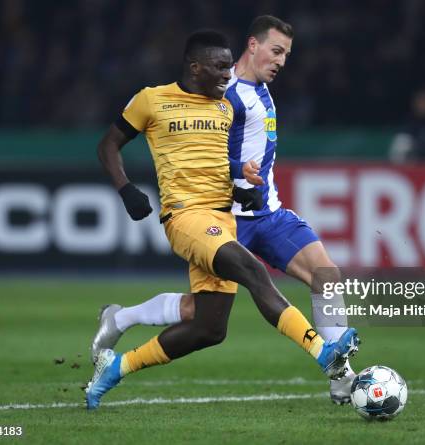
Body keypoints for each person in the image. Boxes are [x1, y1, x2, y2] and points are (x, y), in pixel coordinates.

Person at [91, 17, 359, 406]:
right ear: (253, 45)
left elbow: (216, 158)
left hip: (251, 212)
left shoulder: (251, 96)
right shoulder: (212, 93)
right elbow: (115, 144)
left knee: (208, 325)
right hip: (197, 214)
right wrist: (127, 189)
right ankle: (327, 357)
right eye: (276, 51)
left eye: (287, 54)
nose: (283, 61)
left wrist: (243, 181)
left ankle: (118, 350)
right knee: (252, 276)